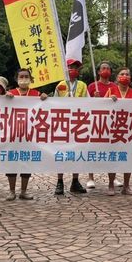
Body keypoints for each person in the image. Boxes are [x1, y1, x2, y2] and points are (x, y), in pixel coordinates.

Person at [4, 68, 47, 201]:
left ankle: (23, 191)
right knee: (12, 162)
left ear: (31, 78)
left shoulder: (36, 93)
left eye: (26, 76)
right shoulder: (10, 93)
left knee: (26, 162)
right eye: (21, 76)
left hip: (30, 135)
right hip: (13, 134)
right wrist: (5, 97)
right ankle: (11, 191)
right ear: (16, 78)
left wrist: (44, 98)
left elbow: (45, 109)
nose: (23, 79)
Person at [53, 59, 88, 195]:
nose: (72, 69)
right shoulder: (60, 85)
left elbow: (88, 103)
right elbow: (54, 103)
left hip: (78, 123)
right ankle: (60, 182)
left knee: (76, 153)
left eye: (75, 67)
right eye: (70, 67)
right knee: (61, 153)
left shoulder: (83, 85)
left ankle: (75, 181)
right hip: (62, 123)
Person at [86, 61, 120, 189]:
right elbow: (85, 105)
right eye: (103, 68)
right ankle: (90, 178)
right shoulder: (91, 86)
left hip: (111, 123)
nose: (105, 70)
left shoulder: (115, 86)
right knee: (92, 150)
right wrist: (94, 99)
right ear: (99, 72)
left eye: (108, 68)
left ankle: (113, 177)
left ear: (110, 72)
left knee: (111, 151)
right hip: (94, 122)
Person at [105, 67, 132, 196]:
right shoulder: (110, 91)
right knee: (113, 158)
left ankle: (126, 186)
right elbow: (101, 108)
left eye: (127, 74)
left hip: (129, 131)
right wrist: (108, 100)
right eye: (122, 74)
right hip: (113, 130)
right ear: (117, 77)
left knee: (128, 158)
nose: (125, 76)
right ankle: (111, 184)